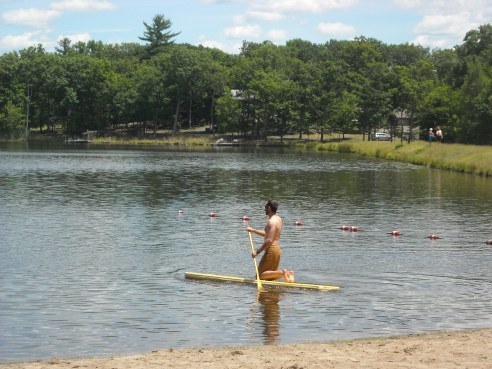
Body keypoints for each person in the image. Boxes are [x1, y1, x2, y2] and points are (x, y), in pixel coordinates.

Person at [247, 200, 294, 282]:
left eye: (265, 207)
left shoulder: (271, 222)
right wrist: (253, 230)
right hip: (277, 250)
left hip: (271, 250)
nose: (264, 209)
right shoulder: (279, 219)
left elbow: (269, 240)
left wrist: (257, 252)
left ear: (269, 208)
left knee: (259, 276)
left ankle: (283, 273)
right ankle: (289, 275)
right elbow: (267, 234)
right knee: (269, 277)